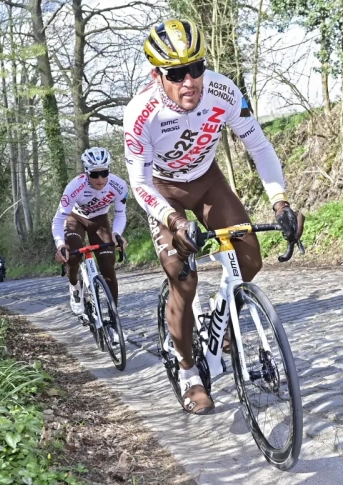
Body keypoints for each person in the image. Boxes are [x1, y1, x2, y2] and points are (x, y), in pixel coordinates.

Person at [123, 19, 304, 414]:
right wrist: (173, 222)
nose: (190, 81)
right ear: (158, 75)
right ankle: (189, 371)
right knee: (183, 280)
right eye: (176, 73)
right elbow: (138, 183)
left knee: (250, 258)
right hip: (164, 193)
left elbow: (258, 145)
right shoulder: (141, 114)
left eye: (197, 68)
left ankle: (224, 323)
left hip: (208, 182)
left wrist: (280, 202)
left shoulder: (222, 91)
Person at [51, 147, 129, 334]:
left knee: (108, 266)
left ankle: (113, 321)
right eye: (95, 174)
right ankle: (74, 286)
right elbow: (58, 220)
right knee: (72, 255)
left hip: (99, 221)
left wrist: (116, 234)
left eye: (104, 173)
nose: (100, 179)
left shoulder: (119, 186)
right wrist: (60, 245)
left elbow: (120, 214)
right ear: (86, 173)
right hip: (75, 219)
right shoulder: (74, 187)